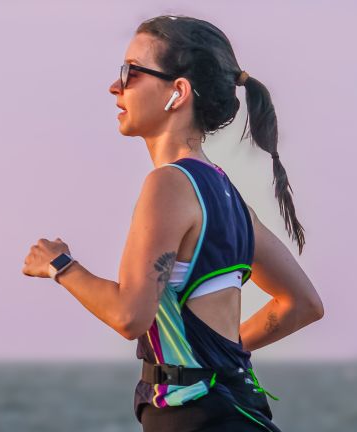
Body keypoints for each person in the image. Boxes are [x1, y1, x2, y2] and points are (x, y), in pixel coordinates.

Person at [22, 14, 324, 432]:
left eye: (130, 73)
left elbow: (130, 316)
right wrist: (224, 355)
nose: (115, 86)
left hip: (193, 419)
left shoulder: (169, 185)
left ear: (177, 92)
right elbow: (302, 303)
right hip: (236, 412)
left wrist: (59, 265)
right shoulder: (226, 195)